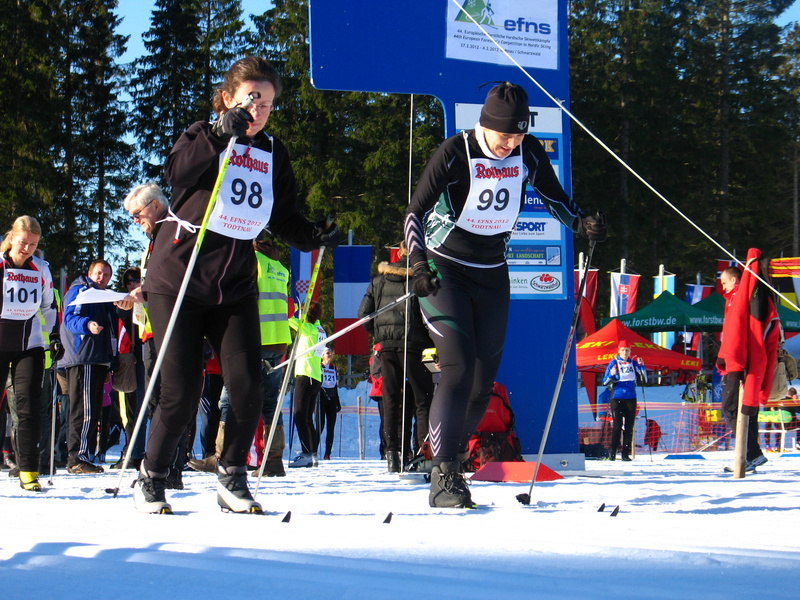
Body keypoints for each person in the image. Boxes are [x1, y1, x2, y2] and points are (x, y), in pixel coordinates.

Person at [134, 56, 339, 513]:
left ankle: (232, 475)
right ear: (228, 98)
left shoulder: (272, 152)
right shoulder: (201, 134)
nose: (259, 111)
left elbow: (282, 216)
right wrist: (217, 135)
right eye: (251, 99)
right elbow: (176, 173)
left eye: (267, 104)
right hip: (180, 278)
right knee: (182, 390)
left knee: (248, 386)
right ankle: (152, 474)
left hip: (234, 284)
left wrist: (313, 234)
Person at [404, 81, 606, 507]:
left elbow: (555, 198)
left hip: (492, 271)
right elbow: (414, 212)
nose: (509, 143)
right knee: (457, 368)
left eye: (517, 134)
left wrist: (581, 222)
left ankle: (454, 457)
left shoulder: (527, 151)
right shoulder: (456, 151)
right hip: (445, 269)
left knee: (483, 383)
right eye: (503, 135)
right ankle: (443, 476)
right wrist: (419, 264)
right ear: (485, 124)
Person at [358, 240, 433, 473]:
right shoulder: (422, 280)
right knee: (422, 400)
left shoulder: (379, 281)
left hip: (388, 347)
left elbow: (364, 315)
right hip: (415, 346)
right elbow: (431, 315)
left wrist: (380, 335)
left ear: (398, 254)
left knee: (391, 400)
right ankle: (423, 452)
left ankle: (393, 453)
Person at [0, 216, 60, 491]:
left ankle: (28, 470)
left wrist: (54, 336)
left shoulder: (41, 268)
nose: (27, 249)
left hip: (30, 345)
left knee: (28, 408)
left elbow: (49, 306)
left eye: (33, 245)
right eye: (23, 242)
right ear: (12, 237)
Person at [61, 259, 125, 474]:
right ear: (89, 273)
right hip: (84, 356)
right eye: (98, 273)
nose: (102, 278)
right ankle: (77, 457)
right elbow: (70, 318)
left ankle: (84, 455)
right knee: (84, 409)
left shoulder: (104, 296)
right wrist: (87, 325)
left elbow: (112, 330)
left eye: (106, 275)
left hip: (98, 358)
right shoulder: (82, 290)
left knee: (93, 409)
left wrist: (109, 362)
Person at [717, 265, 770, 472]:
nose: (722, 287)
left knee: (731, 408)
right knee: (747, 408)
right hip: (742, 359)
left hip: (738, 360)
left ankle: (752, 454)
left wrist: (726, 356)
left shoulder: (738, 297)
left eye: (724, 282)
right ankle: (749, 457)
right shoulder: (735, 297)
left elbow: (736, 331)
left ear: (734, 280)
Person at [287, 302, 327, 468]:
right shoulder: (320, 329)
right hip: (315, 375)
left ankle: (307, 454)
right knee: (307, 417)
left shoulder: (308, 328)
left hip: (306, 374)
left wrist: (296, 307)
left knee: (299, 415)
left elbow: (288, 317)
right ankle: (312, 453)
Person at [602, 340, 646, 461]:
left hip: (631, 398)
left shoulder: (633, 363)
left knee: (629, 426)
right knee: (617, 425)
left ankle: (625, 454)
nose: (625, 353)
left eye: (627, 350)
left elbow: (644, 379)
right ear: (619, 351)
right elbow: (605, 382)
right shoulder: (614, 363)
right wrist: (612, 374)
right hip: (617, 397)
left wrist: (642, 366)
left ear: (630, 351)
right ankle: (612, 452)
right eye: (623, 350)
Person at [318, 347, 341, 460]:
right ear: (322, 355)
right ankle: (313, 450)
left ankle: (327, 453)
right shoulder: (319, 366)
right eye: (328, 353)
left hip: (332, 399)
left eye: (331, 353)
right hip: (321, 399)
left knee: (331, 427)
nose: (330, 355)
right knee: (320, 426)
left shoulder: (334, 367)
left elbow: (335, 385)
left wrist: (337, 401)